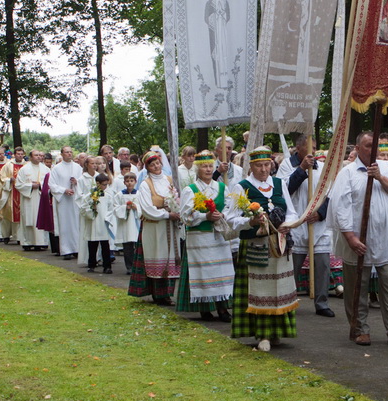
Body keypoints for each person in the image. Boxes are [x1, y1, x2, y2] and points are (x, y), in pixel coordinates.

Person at [328, 131, 388, 348]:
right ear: (356, 148)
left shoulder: (387, 168)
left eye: (375, 145)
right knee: (357, 287)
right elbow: (340, 207)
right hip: (357, 241)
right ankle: (359, 328)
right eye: (367, 145)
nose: (371, 149)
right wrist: (350, 237)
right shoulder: (347, 173)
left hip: (386, 239)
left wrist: (380, 178)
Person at [227, 146, 298, 352]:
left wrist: (287, 224)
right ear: (251, 166)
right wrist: (251, 222)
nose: (264, 170)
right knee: (260, 291)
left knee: (280, 290)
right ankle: (262, 334)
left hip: (278, 245)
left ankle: (276, 332)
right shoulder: (242, 187)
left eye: (267, 165)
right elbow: (231, 218)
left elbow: (291, 211)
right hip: (255, 246)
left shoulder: (279, 183)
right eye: (259, 166)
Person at [278, 136, 334, 317]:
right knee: (292, 266)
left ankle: (322, 302)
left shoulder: (323, 167)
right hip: (297, 223)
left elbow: (330, 193)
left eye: (315, 147)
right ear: (298, 147)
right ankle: (288, 301)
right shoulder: (287, 165)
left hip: (318, 223)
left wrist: (320, 213)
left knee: (323, 265)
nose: (313, 152)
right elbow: (284, 189)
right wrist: (302, 169)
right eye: (309, 147)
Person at [178, 150, 234, 321]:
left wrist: (222, 215)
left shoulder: (222, 187)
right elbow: (185, 215)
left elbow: (230, 207)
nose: (208, 170)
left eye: (210, 166)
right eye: (204, 167)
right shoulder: (191, 190)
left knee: (221, 271)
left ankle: (223, 308)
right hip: (200, 237)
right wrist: (204, 216)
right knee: (203, 273)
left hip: (218, 237)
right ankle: (204, 308)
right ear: (198, 169)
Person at [128, 150, 181, 306]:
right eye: (152, 164)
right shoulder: (145, 184)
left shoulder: (169, 180)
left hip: (170, 227)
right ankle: (158, 294)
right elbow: (147, 208)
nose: (156, 166)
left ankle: (168, 293)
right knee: (158, 255)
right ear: (148, 167)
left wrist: (175, 212)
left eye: (157, 163)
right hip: (155, 227)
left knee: (170, 257)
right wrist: (166, 214)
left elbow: (177, 199)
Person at [49, 146, 83, 261]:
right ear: (62, 154)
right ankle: (66, 250)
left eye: (70, 152)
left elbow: (83, 182)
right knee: (64, 225)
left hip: (75, 200)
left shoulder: (78, 167)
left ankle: (77, 249)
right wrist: (64, 190)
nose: (69, 154)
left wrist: (76, 182)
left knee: (76, 224)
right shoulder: (57, 169)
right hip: (63, 201)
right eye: (67, 152)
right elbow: (52, 184)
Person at [79, 170, 114, 273]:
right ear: (97, 183)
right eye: (103, 185)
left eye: (106, 185)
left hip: (103, 223)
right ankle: (92, 265)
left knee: (105, 246)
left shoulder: (107, 196)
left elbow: (110, 209)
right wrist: (91, 209)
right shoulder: (89, 196)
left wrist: (107, 218)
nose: (105, 187)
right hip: (93, 223)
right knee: (92, 245)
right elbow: (82, 209)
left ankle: (107, 266)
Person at [15, 150, 50, 251]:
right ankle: (28, 242)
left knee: (41, 218)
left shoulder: (46, 169)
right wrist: (30, 185)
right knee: (29, 218)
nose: (39, 157)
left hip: (41, 198)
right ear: (30, 157)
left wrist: (40, 185)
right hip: (28, 199)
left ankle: (41, 242)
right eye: (36, 155)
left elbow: (51, 183)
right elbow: (18, 184)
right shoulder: (24, 169)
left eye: (40, 155)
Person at [112, 172, 141, 274]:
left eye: (131, 181)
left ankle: (138, 266)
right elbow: (115, 208)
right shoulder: (120, 195)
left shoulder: (139, 194)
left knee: (137, 246)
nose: (129, 183)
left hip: (135, 223)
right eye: (127, 181)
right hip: (125, 224)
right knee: (127, 247)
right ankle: (129, 266)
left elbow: (143, 207)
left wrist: (136, 207)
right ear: (124, 182)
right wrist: (125, 208)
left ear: (135, 182)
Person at [36, 151, 60, 255]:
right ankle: (56, 248)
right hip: (53, 202)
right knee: (53, 225)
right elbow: (45, 190)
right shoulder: (49, 174)